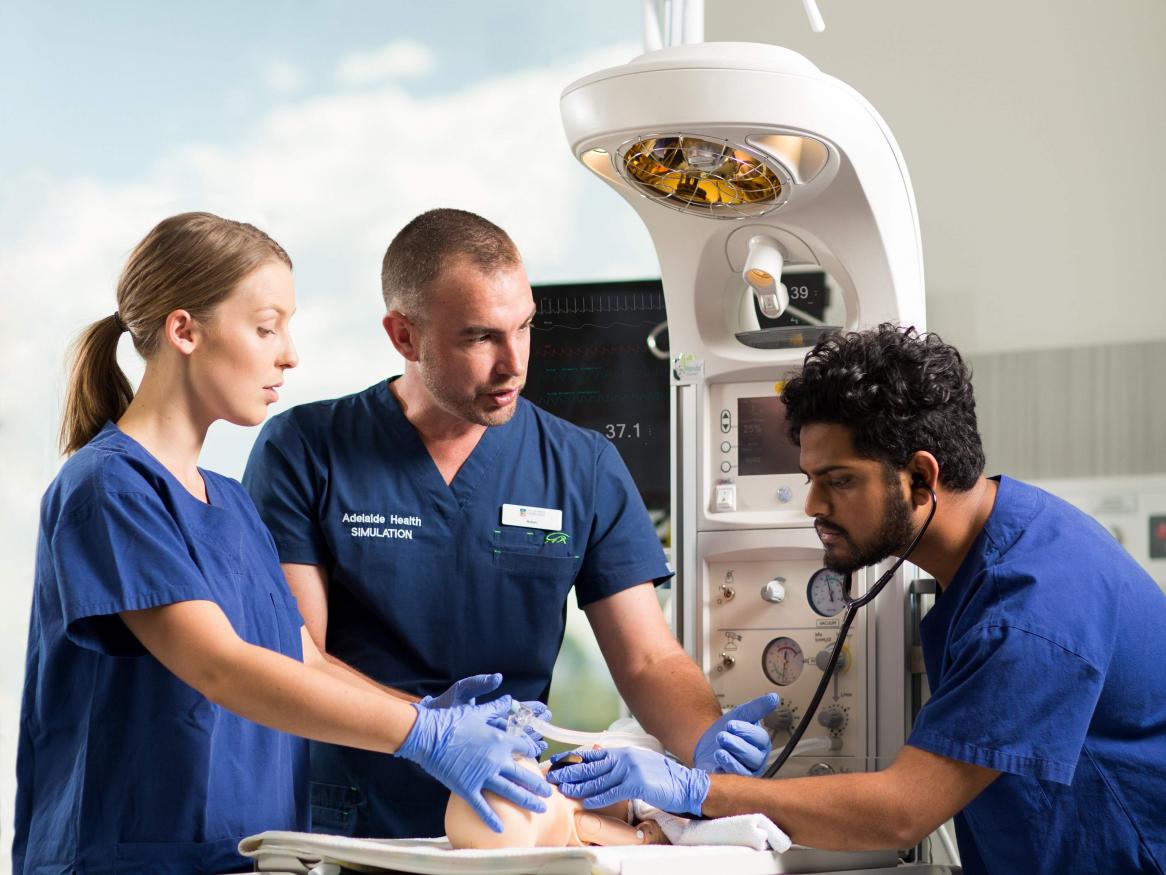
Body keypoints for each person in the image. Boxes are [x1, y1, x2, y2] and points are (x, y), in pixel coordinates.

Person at [14, 212, 552, 875]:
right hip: (130, 860)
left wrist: (443, 716)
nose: (290, 353)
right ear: (184, 330)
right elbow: (221, 665)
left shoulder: (231, 502)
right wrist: (425, 736)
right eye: (267, 327)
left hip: (251, 857)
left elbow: (304, 661)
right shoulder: (108, 488)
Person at [549, 324, 1166, 874]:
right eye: (810, 479)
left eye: (839, 481)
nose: (814, 506)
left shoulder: (1034, 605)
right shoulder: (991, 553)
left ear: (921, 478)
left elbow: (901, 813)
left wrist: (698, 789)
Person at [243, 207, 778, 838]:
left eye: (523, 328)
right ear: (403, 336)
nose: (513, 364)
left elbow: (647, 659)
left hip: (510, 817)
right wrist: (430, 729)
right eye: (479, 338)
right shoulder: (305, 450)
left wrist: (703, 745)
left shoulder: (582, 466)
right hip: (346, 822)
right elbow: (295, 658)